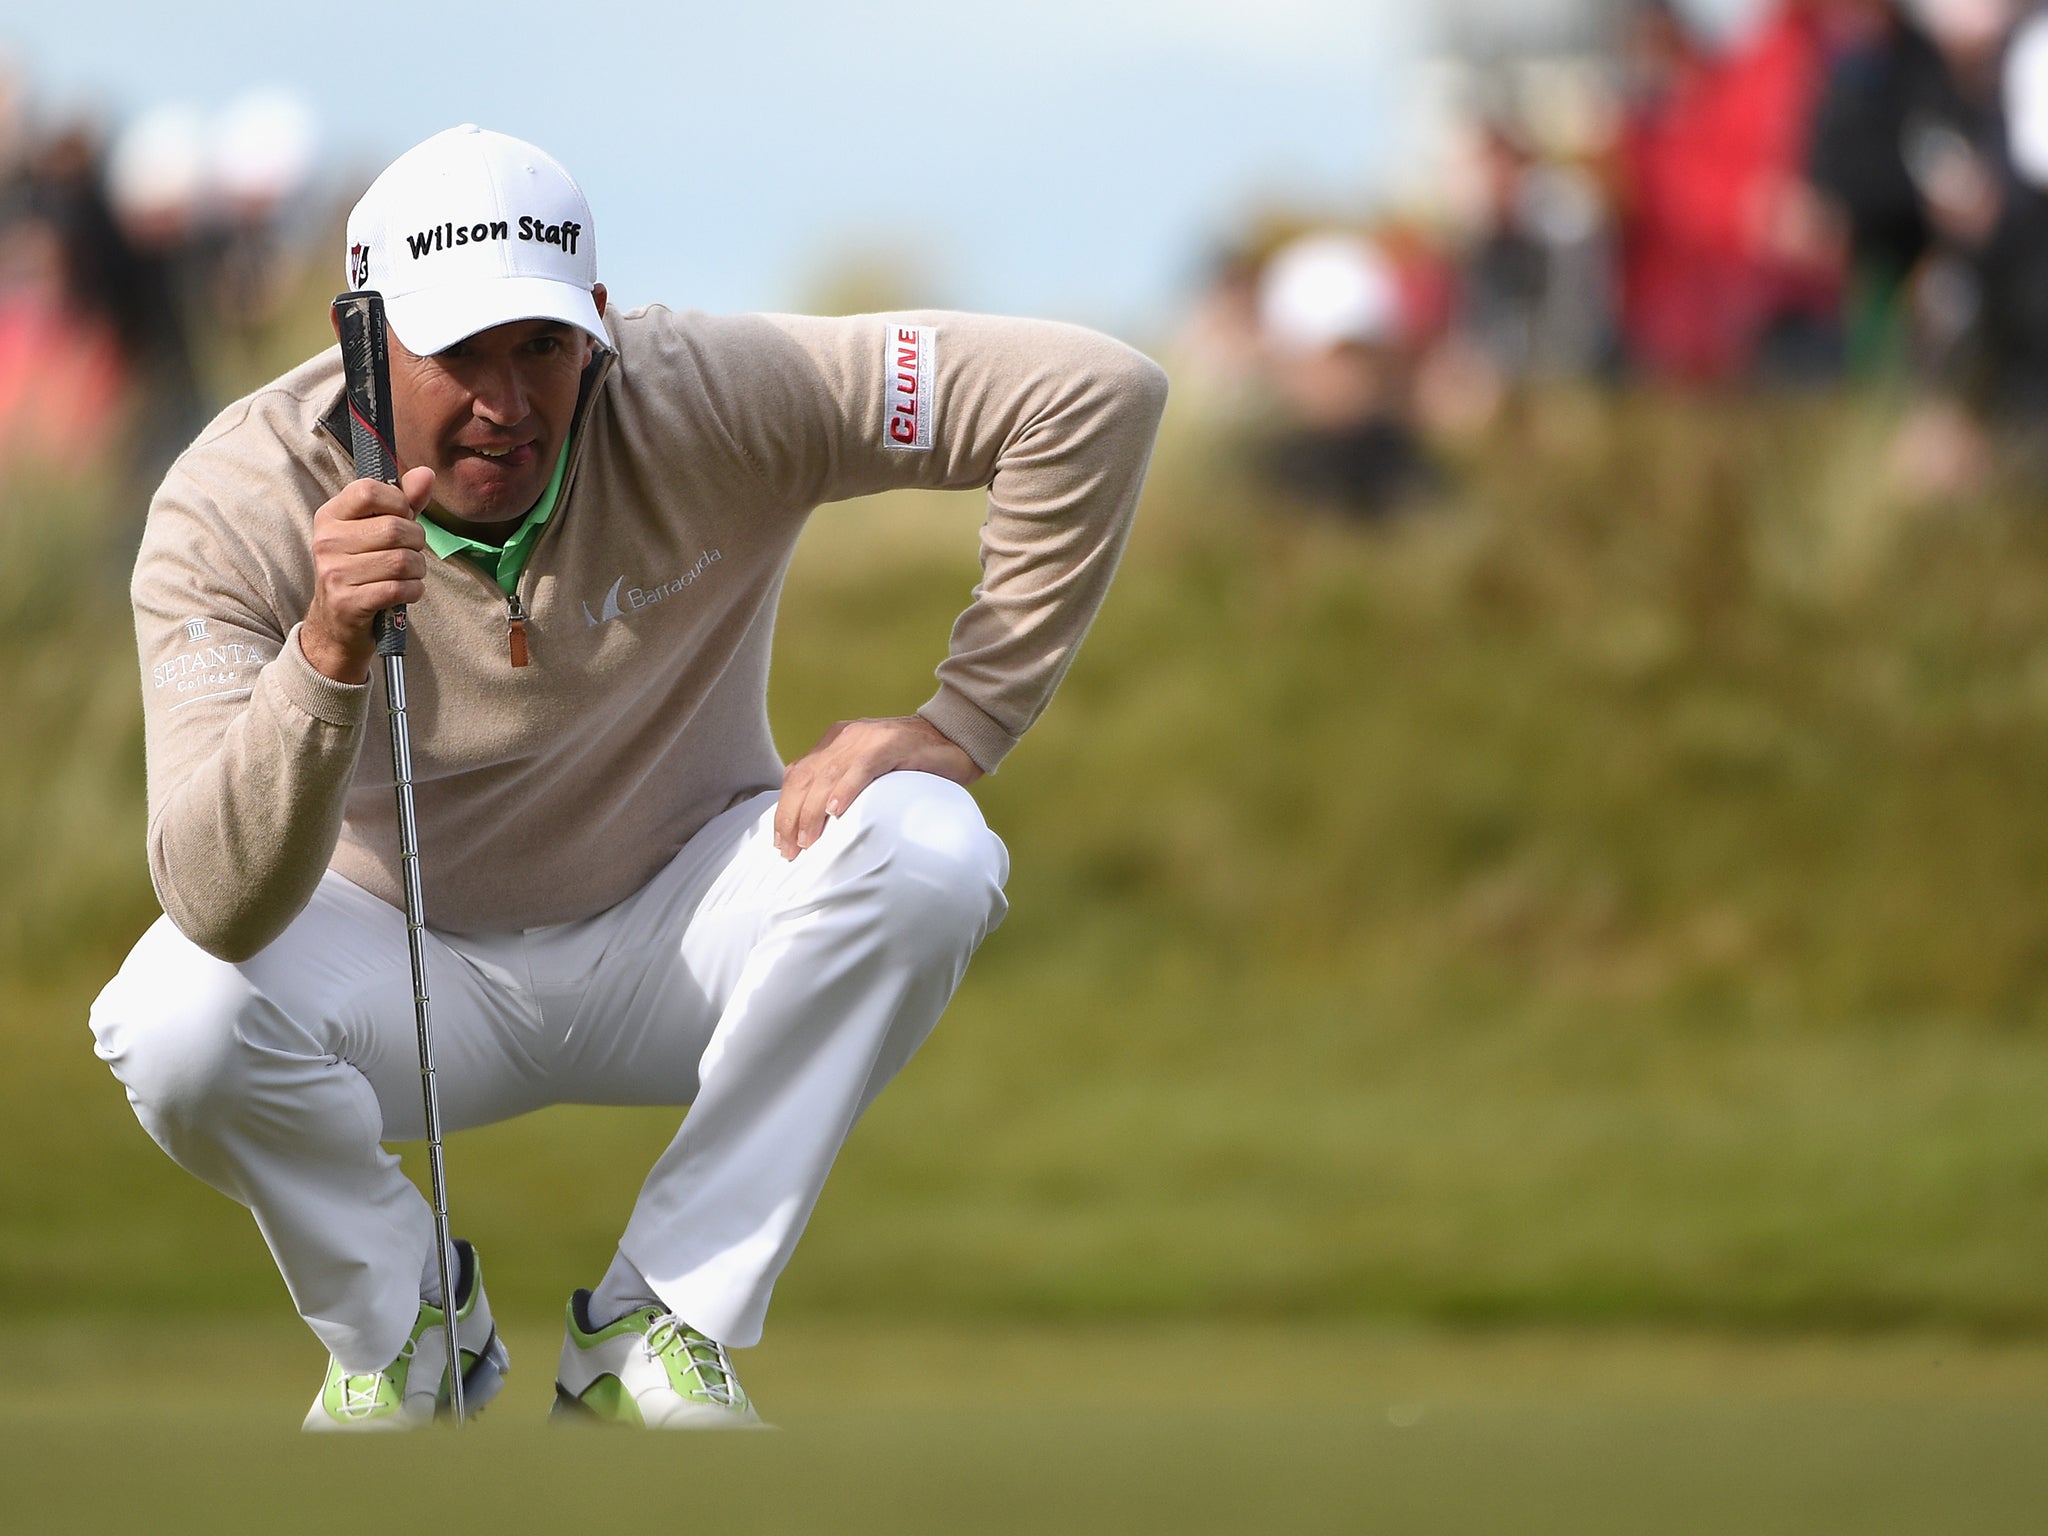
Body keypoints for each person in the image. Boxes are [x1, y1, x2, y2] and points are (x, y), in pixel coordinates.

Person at [87, 124, 1167, 1431]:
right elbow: (215, 903)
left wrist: (970, 714)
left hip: (684, 924)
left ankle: (658, 1323)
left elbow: (1091, 391)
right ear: (362, 337)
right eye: (459, 352)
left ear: (597, 322)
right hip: (394, 961)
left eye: (541, 346)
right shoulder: (236, 497)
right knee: (173, 1017)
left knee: (929, 847)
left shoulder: (707, 388)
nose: (507, 399)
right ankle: (402, 1325)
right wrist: (321, 654)